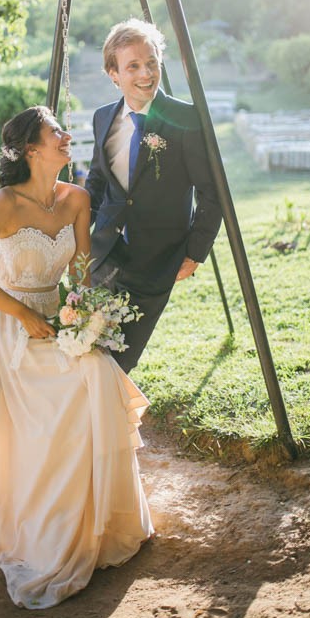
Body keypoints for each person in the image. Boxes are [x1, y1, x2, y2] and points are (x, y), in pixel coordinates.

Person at [0, 106, 153, 610]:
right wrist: (23, 314)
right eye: (55, 132)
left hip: (59, 323)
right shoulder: (2, 204)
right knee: (46, 422)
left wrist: (87, 320)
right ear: (32, 150)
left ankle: (97, 523)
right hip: (10, 327)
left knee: (97, 375)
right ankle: (43, 533)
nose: (67, 136)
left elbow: (83, 276)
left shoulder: (77, 199)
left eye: (64, 130)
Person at [86, 19, 223, 373]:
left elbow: (211, 193)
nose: (146, 73)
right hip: (104, 254)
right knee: (84, 346)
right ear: (113, 73)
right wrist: (78, 233)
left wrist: (195, 253)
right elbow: (99, 179)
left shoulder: (187, 119)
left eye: (152, 63)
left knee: (118, 361)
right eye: (133, 66)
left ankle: (110, 426)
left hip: (158, 260)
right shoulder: (103, 118)